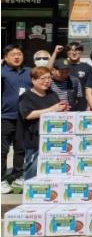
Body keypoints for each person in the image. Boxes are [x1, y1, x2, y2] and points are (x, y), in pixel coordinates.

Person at [19, 67, 69, 180]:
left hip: (53, 138)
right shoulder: (26, 96)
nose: (47, 81)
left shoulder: (52, 94)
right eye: (43, 78)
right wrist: (52, 109)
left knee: (50, 170)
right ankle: (29, 189)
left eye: (49, 78)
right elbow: (28, 115)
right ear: (33, 80)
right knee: (32, 169)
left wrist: (62, 109)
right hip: (35, 139)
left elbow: (56, 110)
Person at [1, 44, 29, 194]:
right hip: (4, 117)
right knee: (2, 150)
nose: (17, 56)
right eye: (13, 54)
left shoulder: (29, 71)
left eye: (19, 53)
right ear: (5, 57)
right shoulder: (2, 72)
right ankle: (1, 179)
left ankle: (18, 175)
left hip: (24, 117)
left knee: (20, 148)